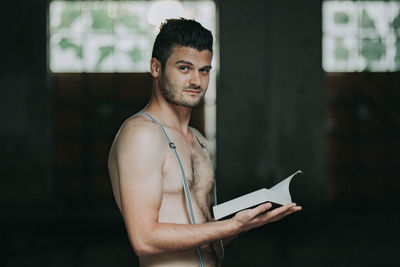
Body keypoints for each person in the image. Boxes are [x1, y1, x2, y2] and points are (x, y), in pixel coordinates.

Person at [108, 18, 301, 267]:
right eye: (184, 68)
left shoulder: (197, 139)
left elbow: (204, 236)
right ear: (156, 68)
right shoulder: (142, 134)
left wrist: (248, 222)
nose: (197, 82)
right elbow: (144, 239)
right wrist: (233, 224)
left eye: (204, 70)